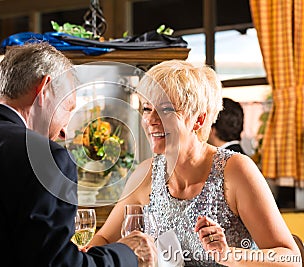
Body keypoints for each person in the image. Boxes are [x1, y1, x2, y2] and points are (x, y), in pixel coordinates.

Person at [0, 42, 156, 267]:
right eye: (69, 108)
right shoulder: (44, 157)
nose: (65, 131)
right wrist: (127, 253)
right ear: (44, 89)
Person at [88, 60, 300, 266]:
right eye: (146, 108)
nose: (151, 119)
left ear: (198, 119)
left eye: (166, 109)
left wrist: (228, 255)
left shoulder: (236, 170)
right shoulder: (146, 173)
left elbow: (290, 258)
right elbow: (104, 239)